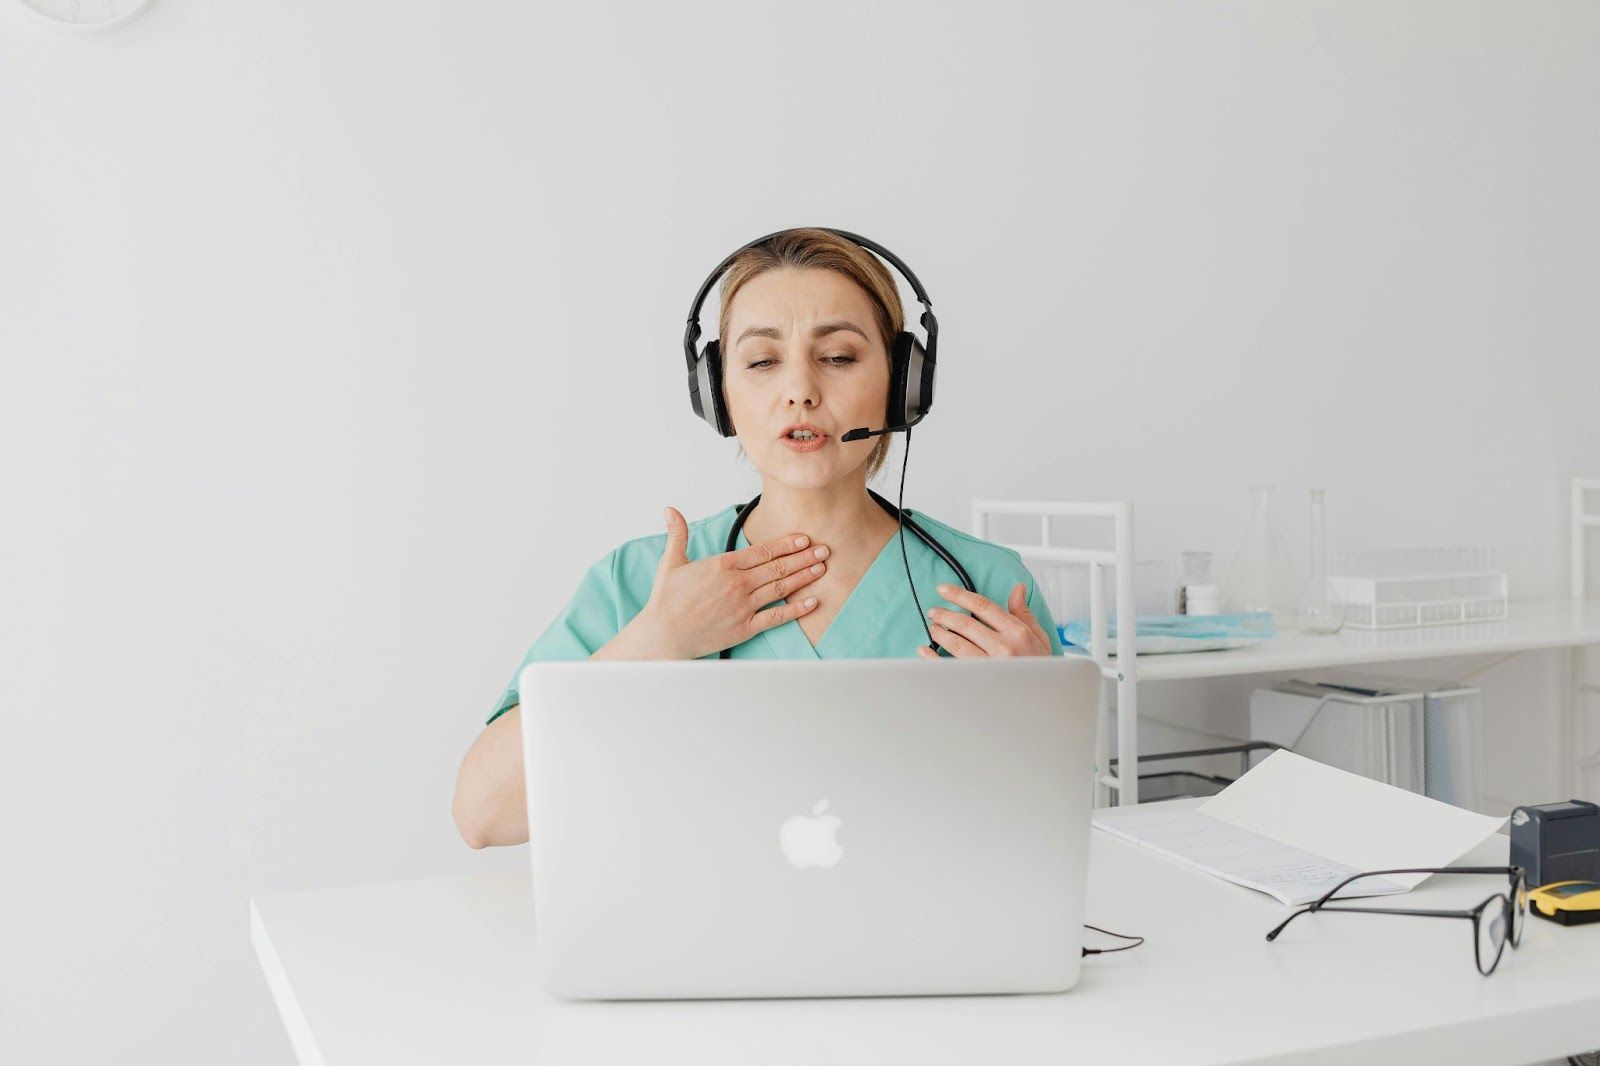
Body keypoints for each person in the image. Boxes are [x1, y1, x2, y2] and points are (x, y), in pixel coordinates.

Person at [452, 228, 1063, 848]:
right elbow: (484, 816)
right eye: (763, 361)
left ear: (904, 382)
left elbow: (1055, 832)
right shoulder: (641, 583)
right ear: (718, 393)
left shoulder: (986, 587)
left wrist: (1037, 719)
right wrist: (658, 639)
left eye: (839, 357)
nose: (800, 390)